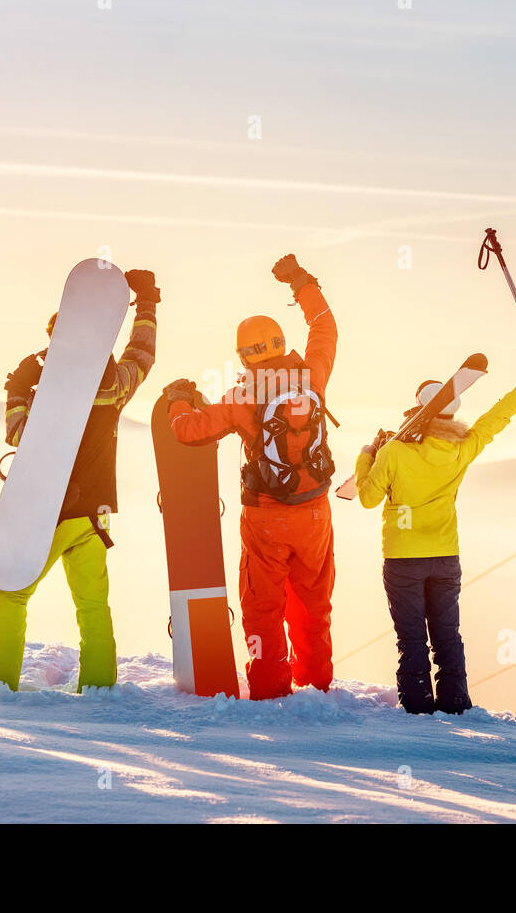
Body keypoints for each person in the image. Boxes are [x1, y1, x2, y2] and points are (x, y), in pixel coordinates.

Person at [164, 254, 338, 701]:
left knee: (263, 606)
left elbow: (189, 432)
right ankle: (316, 684)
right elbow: (324, 327)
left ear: (243, 354)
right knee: (313, 604)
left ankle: (269, 686)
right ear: (280, 341)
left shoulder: (244, 394)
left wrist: (178, 400)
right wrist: (301, 283)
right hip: (316, 511)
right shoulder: (311, 376)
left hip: (266, 516)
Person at [0, 268, 159, 692]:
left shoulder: (41, 383)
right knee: (93, 605)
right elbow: (142, 354)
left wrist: (20, 391)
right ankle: (98, 688)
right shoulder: (115, 385)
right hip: (93, 517)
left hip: (42, 513)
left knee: (11, 595)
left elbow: (17, 433)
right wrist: (148, 302)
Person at [353, 357, 516, 714]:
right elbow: (499, 415)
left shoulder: (394, 452)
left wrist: (366, 457)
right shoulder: (462, 449)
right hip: (446, 557)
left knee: (412, 637)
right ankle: (455, 701)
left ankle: (417, 704)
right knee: (447, 634)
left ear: (418, 412)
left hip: (403, 559)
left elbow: (368, 499)